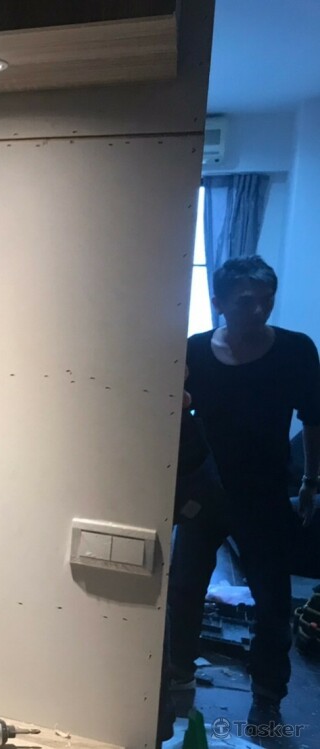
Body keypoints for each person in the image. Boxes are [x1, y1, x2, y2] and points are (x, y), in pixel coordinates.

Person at [167, 255, 320, 727]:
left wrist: (311, 481)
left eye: (266, 300)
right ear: (219, 302)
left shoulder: (295, 350)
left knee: (272, 602)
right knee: (184, 590)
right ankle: (177, 676)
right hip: (204, 493)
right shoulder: (193, 351)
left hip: (265, 495)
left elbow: (314, 419)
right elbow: (172, 416)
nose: (258, 310)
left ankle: (268, 695)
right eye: (246, 301)